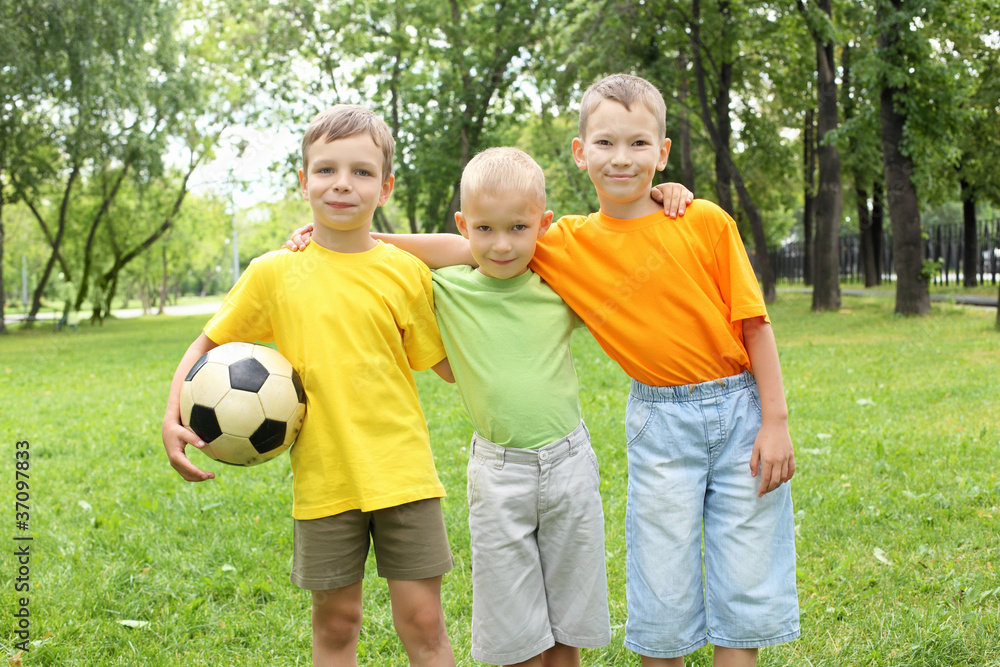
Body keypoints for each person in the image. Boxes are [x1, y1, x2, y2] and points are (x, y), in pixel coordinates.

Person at [292, 74, 799, 666]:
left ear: (662, 152)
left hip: (731, 412)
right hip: (649, 422)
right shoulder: (562, 243)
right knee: (661, 582)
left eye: (639, 144)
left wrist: (776, 420)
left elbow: (754, 322)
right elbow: (464, 247)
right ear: (581, 152)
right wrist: (352, 234)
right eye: (606, 143)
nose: (622, 157)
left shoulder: (692, 220)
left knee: (741, 581)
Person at [161, 104, 458, 667]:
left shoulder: (405, 271)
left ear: (386, 187)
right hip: (324, 480)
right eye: (326, 170)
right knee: (336, 623)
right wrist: (172, 417)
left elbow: (445, 363)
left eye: (362, 172)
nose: (342, 183)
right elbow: (205, 345)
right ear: (303, 181)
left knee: (423, 622)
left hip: (404, 473)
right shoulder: (273, 272)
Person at [432, 147, 611, 667]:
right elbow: (385, 256)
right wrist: (367, 236)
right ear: (463, 226)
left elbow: (620, 238)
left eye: (518, 228)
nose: (502, 245)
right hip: (499, 475)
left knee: (567, 626)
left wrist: (664, 193)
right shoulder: (448, 287)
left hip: (569, 465)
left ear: (543, 225)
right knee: (516, 634)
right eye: (484, 229)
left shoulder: (559, 283)